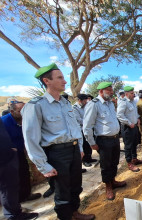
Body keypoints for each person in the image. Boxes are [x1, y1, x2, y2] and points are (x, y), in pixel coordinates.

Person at [21, 63, 94, 220]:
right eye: (60, 78)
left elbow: (75, 129)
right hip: (56, 154)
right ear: (47, 81)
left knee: (76, 187)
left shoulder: (65, 103)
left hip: (73, 151)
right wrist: (43, 165)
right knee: (62, 192)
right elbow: (30, 139)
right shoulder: (35, 105)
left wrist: (80, 147)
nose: (65, 81)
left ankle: (75, 213)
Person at [83, 82, 126, 201]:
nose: (112, 92)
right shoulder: (93, 105)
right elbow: (87, 127)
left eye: (112, 90)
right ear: (101, 91)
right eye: (109, 90)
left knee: (114, 162)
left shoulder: (110, 103)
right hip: (104, 140)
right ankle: (108, 187)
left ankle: (113, 181)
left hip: (115, 138)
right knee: (105, 165)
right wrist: (91, 142)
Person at [2, 101, 42, 203]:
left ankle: (26, 195)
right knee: (13, 179)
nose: (24, 113)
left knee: (24, 173)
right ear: (12, 111)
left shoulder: (26, 119)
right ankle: (16, 201)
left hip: (21, 151)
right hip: (8, 155)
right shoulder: (4, 122)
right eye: (21, 111)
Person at [0, 118, 39, 220]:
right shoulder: (5, 119)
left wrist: (11, 147)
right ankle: (13, 215)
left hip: (8, 156)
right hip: (2, 160)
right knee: (6, 189)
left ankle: (16, 211)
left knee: (11, 187)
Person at [117, 86, 142, 172]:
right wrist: (129, 123)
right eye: (132, 93)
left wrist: (138, 118)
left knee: (134, 143)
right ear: (126, 94)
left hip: (135, 126)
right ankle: (129, 163)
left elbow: (134, 113)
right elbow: (119, 115)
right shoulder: (123, 102)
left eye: (133, 93)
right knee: (128, 146)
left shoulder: (132, 102)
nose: (134, 95)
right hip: (127, 128)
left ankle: (134, 159)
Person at [73, 94, 97, 167]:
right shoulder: (74, 108)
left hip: (88, 128)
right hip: (80, 129)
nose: (86, 102)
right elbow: (79, 120)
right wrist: (89, 122)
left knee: (89, 144)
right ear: (80, 101)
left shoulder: (86, 106)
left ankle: (89, 158)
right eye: (85, 101)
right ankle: (85, 160)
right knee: (84, 146)